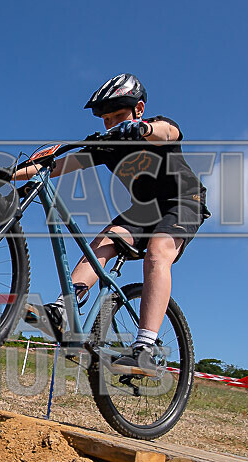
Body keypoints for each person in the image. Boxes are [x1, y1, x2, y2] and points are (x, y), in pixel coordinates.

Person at [14, 73, 210, 374]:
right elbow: (57, 166)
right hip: (144, 211)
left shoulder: (156, 127)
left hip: (183, 202)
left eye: (118, 116)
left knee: (158, 252)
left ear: (139, 109)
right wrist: (10, 174)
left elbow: (166, 132)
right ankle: (64, 311)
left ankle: (145, 346)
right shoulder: (108, 146)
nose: (111, 124)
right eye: (105, 119)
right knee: (102, 243)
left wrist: (141, 129)